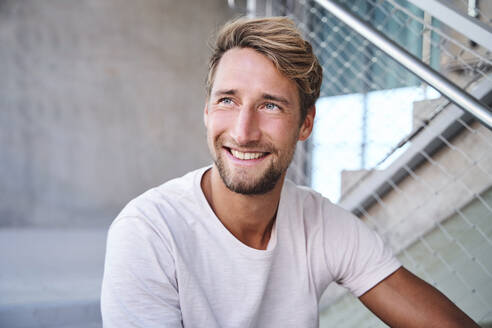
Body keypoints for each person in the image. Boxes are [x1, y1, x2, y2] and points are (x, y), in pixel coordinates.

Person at [101, 17, 479, 327]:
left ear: (305, 124)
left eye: (270, 106)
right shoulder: (149, 232)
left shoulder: (318, 223)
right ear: (206, 110)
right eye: (228, 100)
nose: (243, 132)